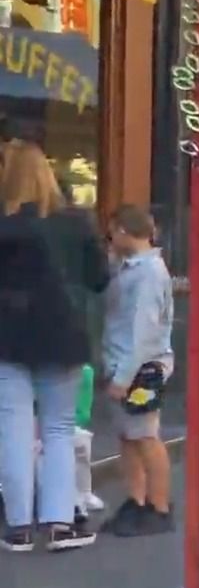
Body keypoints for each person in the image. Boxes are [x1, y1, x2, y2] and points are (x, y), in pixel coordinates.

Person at [0, 142, 109, 552]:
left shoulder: (4, 225)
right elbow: (99, 278)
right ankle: (59, 523)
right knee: (59, 430)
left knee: (12, 430)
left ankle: (18, 527)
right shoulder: (75, 223)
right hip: (63, 334)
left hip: (8, 337)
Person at [99, 205, 175, 537]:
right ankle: (137, 498)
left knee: (145, 436)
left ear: (125, 232)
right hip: (122, 361)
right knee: (129, 436)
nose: (110, 239)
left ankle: (158, 507)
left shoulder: (148, 274)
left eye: (113, 232)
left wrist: (123, 378)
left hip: (140, 368)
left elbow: (142, 333)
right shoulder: (130, 269)